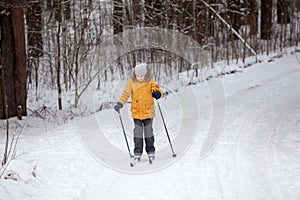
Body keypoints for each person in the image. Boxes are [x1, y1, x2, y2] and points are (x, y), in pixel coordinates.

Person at [114, 63, 163, 162]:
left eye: (142, 76)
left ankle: (151, 152)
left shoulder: (150, 82)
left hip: (149, 112)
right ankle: (137, 152)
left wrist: (157, 94)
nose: (140, 78)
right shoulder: (131, 82)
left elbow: (158, 91)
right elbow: (126, 93)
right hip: (136, 112)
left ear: (146, 74)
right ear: (135, 74)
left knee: (148, 132)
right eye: (138, 76)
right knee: (138, 133)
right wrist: (120, 103)